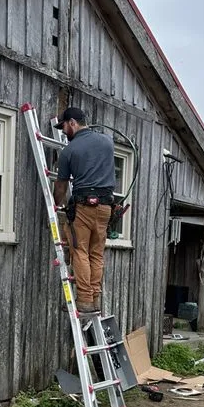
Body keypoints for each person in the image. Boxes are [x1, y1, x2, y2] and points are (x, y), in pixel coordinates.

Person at [52, 106, 115, 315]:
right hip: (106, 207)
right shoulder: (107, 141)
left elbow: (61, 185)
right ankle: (95, 298)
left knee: (80, 251)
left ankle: (85, 300)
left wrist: (55, 203)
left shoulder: (70, 151)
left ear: (72, 123)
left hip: (84, 206)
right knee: (96, 254)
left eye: (64, 128)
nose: (63, 132)